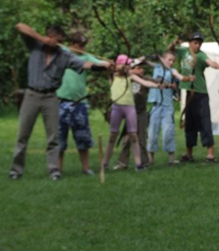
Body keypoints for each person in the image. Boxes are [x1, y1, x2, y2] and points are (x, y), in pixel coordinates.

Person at [9, 23, 110, 180]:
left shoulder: (65, 55)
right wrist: (41, 38)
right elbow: (20, 26)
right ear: (49, 37)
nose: (59, 44)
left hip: (51, 97)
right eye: (57, 40)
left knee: (53, 137)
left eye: (61, 41)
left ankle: (54, 171)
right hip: (31, 95)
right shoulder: (35, 46)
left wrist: (105, 66)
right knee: (23, 135)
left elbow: (86, 64)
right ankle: (16, 171)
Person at [57, 31, 111, 176]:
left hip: (79, 103)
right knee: (59, 139)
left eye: (84, 45)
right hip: (60, 101)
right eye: (80, 45)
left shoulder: (86, 57)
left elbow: (99, 63)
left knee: (83, 138)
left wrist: (108, 64)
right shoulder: (63, 53)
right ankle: (57, 170)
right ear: (72, 44)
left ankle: (86, 168)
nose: (83, 48)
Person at [102, 55, 164, 172]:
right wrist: (114, 65)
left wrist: (157, 85)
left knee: (134, 136)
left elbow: (145, 82)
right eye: (127, 65)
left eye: (129, 65)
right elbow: (105, 66)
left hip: (130, 108)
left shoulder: (130, 76)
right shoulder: (113, 75)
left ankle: (139, 164)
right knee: (113, 136)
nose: (128, 67)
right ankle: (106, 163)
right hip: (117, 107)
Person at [175, 31, 219, 163]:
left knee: (204, 122)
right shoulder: (183, 52)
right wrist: (174, 42)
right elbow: (168, 52)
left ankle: (210, 155)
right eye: (195, 43)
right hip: (189, 93)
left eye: (199, 43)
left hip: (201, 93)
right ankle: (188, 154)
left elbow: (211, 62)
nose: (197, 46)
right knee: (189, 123)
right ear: (190, 43)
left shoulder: (201, 55)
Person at [146, 49, 193, 166]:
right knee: (152, 133)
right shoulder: (156, 67)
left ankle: (171, 159)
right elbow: (145, 61)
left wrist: (189, 78)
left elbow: (181, 77)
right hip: (156, 106)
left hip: (167, 107)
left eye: (173, 60)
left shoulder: (172, 71)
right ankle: (150, 159)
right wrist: (150, 57)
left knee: (168, 132)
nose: (171, 62)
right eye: (169, 60)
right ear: (163, 59)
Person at [113, 58, 152, 170]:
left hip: (141, 113)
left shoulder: (144, 79)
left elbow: (154, 81)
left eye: (142, 68)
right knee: (126, 139)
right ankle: (122, 163)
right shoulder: (127, 78)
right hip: (130, 112)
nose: (142, 70)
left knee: (141, 139)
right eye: (139, 68)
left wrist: (164, 84)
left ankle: (144, 162)